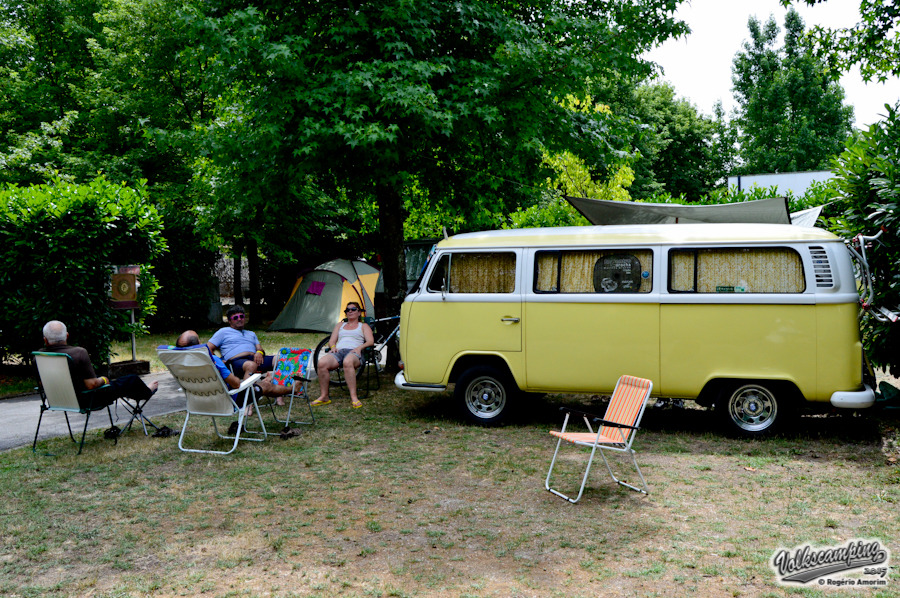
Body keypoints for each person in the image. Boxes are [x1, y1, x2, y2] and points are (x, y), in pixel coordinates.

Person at [40, 320, 158, 410]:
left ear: (45, 340)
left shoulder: (39, 357)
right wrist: (103, 379)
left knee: (117, 383)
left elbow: (41, 383)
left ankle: (141, 391)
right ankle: (147, 391)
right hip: (87, 400)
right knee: (130, 379)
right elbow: (92, 385)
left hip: (57, 401)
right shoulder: (78, 353)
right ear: (67, 336)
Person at [177, 330, 294, 412]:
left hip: (199, 404)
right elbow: (236, 384)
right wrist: (251, 379)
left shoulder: (179, 365)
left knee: (260, 384)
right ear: (198, 344)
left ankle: (269, 382)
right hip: (228, 402)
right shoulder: (214, 361)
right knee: (264, 386)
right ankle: (292, 388)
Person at [311, 301, 374, 409]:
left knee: (347, 362)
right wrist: (333, 347)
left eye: (353, 309)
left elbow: (370, 342)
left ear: (359, 313)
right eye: (347, 310)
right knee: (322, 363)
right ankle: (324, 396)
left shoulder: (363, 326)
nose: (350, 311)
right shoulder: (340, 325)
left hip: (354, 352)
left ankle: (354, 397)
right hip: (339, 351)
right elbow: (332, 341)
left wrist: (359, 348)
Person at [207, 305, 274, 379]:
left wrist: (259, 352)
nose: (239, 319)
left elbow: (259, 348)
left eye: (241, 316)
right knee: (251, 365)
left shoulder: (251, 333)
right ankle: (246, 390)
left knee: (282, 359)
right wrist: (218, 361)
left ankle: (282, 386)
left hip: (256, 359)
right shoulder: (223, 332)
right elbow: (207, 348)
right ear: (230, 321)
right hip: (235, 362)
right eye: (235, 318)